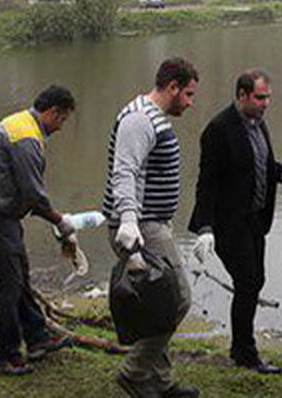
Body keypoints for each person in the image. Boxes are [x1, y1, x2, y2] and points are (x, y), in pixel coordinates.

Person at [188, 69, 282, 374]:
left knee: (254, 281)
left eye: (268, 98)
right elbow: (206, 183)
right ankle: (245, 353)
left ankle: (241, 347)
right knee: (248, 282)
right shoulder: (218, 129)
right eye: (260, 97)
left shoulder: (259, 126)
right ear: (241, 95)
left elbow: (260, 165)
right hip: (228, 224)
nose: (266, 103)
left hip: (255, 221)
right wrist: (205, 227)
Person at [0, 85, 79, 376]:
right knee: (10, 284)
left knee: (19, 275)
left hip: (2, 213)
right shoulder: (25, 137)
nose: (61, 127)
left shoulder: (24, 124)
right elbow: (33, 196)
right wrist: (60, 221)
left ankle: (38, 338)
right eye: (62, 119)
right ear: (53, 112)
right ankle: (6, 355)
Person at [103, 57, 200, 398]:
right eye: (187, 94)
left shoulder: (152, 116)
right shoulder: (139, 119)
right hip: (141, 228)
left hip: (153, 223)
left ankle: (160, 383)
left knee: (157, 305)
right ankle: (134, 372)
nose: (189, 102)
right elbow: (125, 171)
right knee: (177, 301)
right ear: (172, 87)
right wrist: (129, 220)